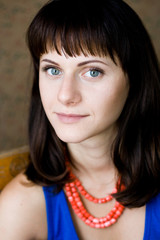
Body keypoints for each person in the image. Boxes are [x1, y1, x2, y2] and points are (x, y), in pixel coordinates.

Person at [0, 0, 160, 239]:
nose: (65, 95)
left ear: (135, 80)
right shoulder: (18, 207)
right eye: (53, 70)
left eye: (92, 72)